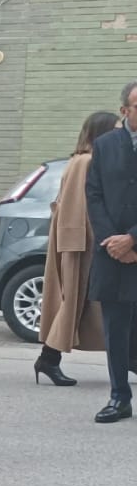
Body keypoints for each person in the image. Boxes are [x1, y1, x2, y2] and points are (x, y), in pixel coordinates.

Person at [38, 111, 123, 387]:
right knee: (74, 302)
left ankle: (48, 359)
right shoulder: (85, 162)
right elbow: (75, 207)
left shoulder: (87, 161)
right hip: (80, 247)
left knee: (82, 305)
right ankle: (48, 359)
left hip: (84, 244)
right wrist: (80, 247)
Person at [86, 80, 137, 423]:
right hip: (112, 253)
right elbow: (94, 195)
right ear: (125, 111)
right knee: (116, 329)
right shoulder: (105, 146)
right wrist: (113, 241)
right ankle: (119, 396)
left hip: (130, 245)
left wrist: (133, 239)